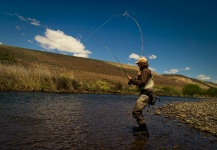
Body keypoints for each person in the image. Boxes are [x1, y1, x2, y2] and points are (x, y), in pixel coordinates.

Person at [127, 57, 154, 137]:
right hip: (145, 94)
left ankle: (144, 131)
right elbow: (142, 82)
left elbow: (141, 83)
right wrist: (139, 76)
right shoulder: (145, 71)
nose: (137, 65)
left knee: (136, 112)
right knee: (137, 111)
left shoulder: (145, 71)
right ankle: (141, 128)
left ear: (142, 64)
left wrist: (131, 80)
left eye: (138, 64)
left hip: (145, 95)